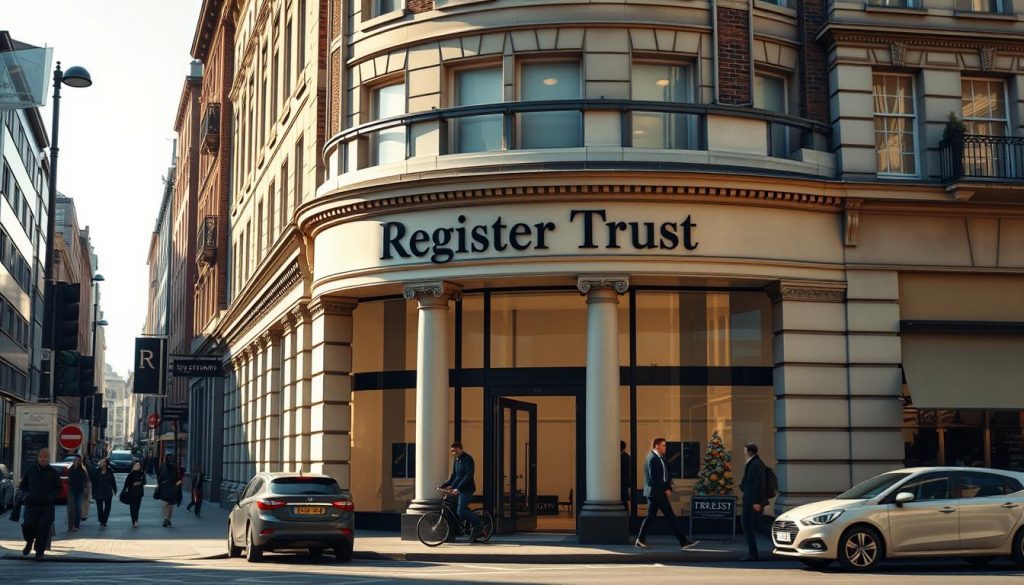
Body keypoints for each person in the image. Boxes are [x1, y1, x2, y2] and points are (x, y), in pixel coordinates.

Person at [635, 437, 696, 550]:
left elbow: (666, 475)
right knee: (670, 517)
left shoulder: (660, 458)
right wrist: (665, 489)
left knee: (652, 517)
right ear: (657, 446)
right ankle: (683, 542)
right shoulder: (652, 459)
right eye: (663, 445)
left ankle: (640, 540)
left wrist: (668, 487)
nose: (665, 447)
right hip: (656, 493)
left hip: (658, 493)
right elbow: (654, 479)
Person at [18, 448, 62, 560]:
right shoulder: (30, 470)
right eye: (41, 456)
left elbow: (58, 488)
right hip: (31, 505)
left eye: (46, 457)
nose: (43, 459)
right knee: (28, 526)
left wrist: (51, 497)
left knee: (43, 529)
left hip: (46, 506)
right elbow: (22, 486)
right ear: (37, 458)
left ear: (49, 459)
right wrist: (26, 495)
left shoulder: (52, 472)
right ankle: (29, 542)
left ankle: (39, 552)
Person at [439, 441, 483, 540]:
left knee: (461, 510)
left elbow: (468, 476)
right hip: (457, 489)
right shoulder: (456, 460)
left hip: (467, 489)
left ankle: (478, 524)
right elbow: (454, 476)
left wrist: (458, 488)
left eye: (454, 450)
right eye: (452, 451)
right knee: (455, 509)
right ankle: (462, 527)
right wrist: (443, 485)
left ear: (460, 449)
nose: (453, 453)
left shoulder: (468, 459)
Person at [739, 443, 768, 561]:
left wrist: (757, 502)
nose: (744, 453)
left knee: (747, 524)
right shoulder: (753, 463)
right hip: (751, 500)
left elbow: (758, 485)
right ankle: (753, 552)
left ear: (750, 452)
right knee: (756, 525)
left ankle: (753, 553)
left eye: (745, 451)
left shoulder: (755, 464)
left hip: (752, 501)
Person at [157, 455, 182, 527]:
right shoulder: (175, 467)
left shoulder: (162, 466)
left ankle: (166, 518)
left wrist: (160, 483)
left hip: (164, 487)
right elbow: (178, 478)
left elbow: (159, 476)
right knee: (171, 505)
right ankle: (168, 519)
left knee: (165, 504)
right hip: (173, 488)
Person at [92, 458, 118, 528]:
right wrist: (93, 492)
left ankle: (104, 521)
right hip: (98, 492)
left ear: (106, 464)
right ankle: (101, 520)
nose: (102, 464)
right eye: (101, 462)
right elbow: (94, 482)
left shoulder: (110, 472)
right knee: (99, 508)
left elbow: (113, 482)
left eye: (103, 462)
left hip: (108, 492)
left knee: (107, 508)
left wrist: (115, 490)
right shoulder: (97, 472)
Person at [66, 455, 89, 532]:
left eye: (78, 460)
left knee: (78, 508)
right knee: (71, 509)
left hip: (80, 491)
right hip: (71, 491)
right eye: (75, 460)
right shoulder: (70, 470)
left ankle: (76, 525)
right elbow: (68, 479)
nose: (76, 461)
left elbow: (86, 481)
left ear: (80, 462)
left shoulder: (83, 470)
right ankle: (70, 526)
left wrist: (86, 490)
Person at [125, 461, 146, 527]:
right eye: (136, 465)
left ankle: (136, 519)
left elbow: (144, 482)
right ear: (133, 466)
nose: (137, 466)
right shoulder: (131, 474)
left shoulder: (142, 473)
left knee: (137, 508)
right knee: (132, 508)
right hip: (131, 493)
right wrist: (132, 484)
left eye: (138, 465)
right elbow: (126, 483)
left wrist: (139, 483)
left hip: (139, 493)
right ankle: (134, 520)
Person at [81, 455, 96, 523]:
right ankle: (84, 514)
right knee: (85, 500)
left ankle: (84, 514)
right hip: (86, 483)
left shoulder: (87, 466)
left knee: (85, 500)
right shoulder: (88, 465)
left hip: (87, 483)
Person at [620, 440, 631, 508]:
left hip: (623, 481)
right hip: (625, 481)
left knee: (623, 500)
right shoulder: (627, 456)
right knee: (624, 500)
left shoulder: (624, 457)